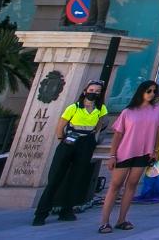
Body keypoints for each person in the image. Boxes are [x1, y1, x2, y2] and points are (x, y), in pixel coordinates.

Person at [33, 79, 108, 225]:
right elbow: (61, 125)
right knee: (56, 177)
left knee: (77, 176)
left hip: (86, 141)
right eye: (92, 90)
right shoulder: (73, 107)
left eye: (97, 91)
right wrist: (63, 138)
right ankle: (41, 213)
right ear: (85, 91)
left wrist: (92, 134)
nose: (94, 93)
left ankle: (67, 210)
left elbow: (101, 123)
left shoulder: (101, 109)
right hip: (70, 139)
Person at [98, 81, 159, 233]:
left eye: (154, 91)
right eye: (148, 91)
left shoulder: (157, 110)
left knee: (131, 185)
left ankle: (122, 219)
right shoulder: (128, 112)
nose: (151, 94)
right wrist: (112, 155)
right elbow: (118, 134)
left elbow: (158, 131)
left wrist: (155, 149)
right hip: (125, 152)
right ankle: (105, 221)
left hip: (143, 152)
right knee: (115, 186)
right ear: (141, 92)